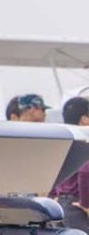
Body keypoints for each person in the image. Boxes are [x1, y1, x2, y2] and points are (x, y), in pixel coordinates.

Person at [51, 96, 89, 231]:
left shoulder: (65, 140)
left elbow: (54, 170)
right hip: (78, 205)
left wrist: (53, 195)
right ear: (84, 119)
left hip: (61, 203)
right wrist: (86, 205)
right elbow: (85, 172)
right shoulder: (85, 139)